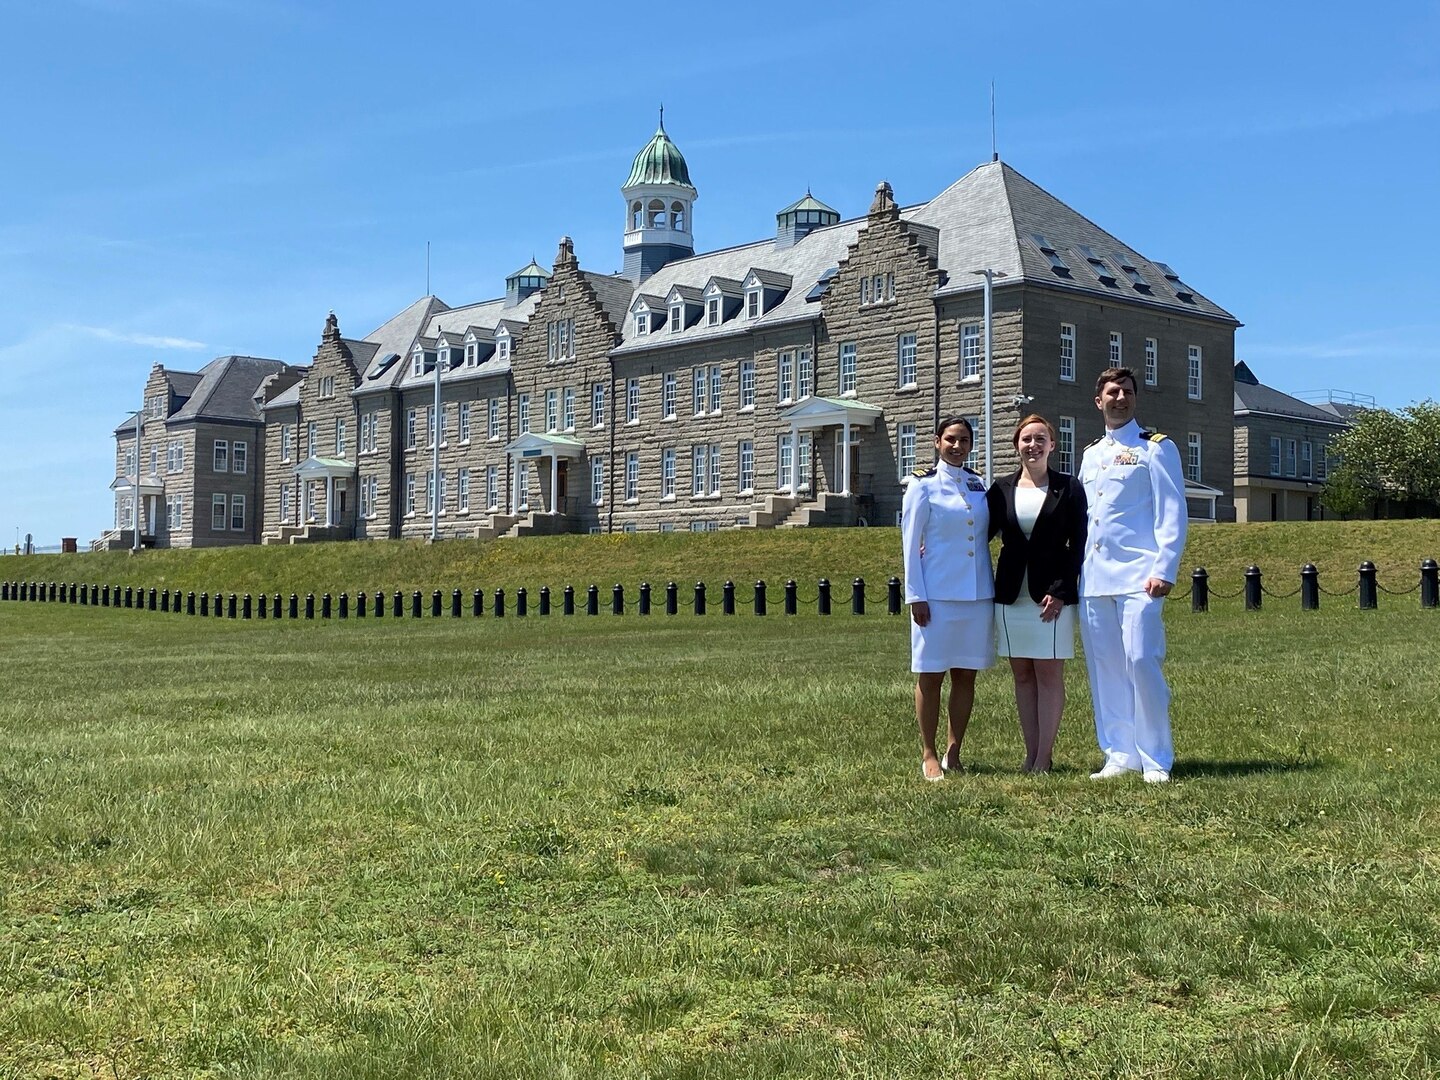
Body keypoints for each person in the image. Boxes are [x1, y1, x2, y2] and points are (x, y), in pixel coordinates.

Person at [1078, 367, 1188, 783]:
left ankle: (1156, 756)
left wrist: (1165, 567)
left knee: (1142, 661)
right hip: (1095, 579)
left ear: (1135, 398)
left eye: (1126, 392)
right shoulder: (1090, 455)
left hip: (1140, 574)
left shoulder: (1156, 448)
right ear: (1098, 400)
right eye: (1112, 392)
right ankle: (1120, 753)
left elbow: (1172, 511)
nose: (1120, 398)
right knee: (1105, 667)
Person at [986, 414, 1088, 773]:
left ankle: (1044, 757)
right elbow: (974, 532)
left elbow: (1078, 545)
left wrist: (1061, 591)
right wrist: (931, 545)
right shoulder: (1000, 489)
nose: (1033, 445)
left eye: (1040, 439)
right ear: (1017, 445)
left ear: (1052, 445)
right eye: (1026, 439)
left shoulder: (1069, 487)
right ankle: (1030, 753)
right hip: (1012, 598)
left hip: (1051, 600)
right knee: (1023, 676)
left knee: (1048, 675)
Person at [901, 416, 995, 781]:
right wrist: (915, 595)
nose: (958, 446)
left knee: (966, 675)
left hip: (975, 594)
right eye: (951, 439)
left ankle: (954, 749)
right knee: (930, 674)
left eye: (965, 440)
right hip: (936, 595)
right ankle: (928, 752)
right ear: (937, 441)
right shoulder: (921, 485)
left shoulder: (976, 482)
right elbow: (910, 544)